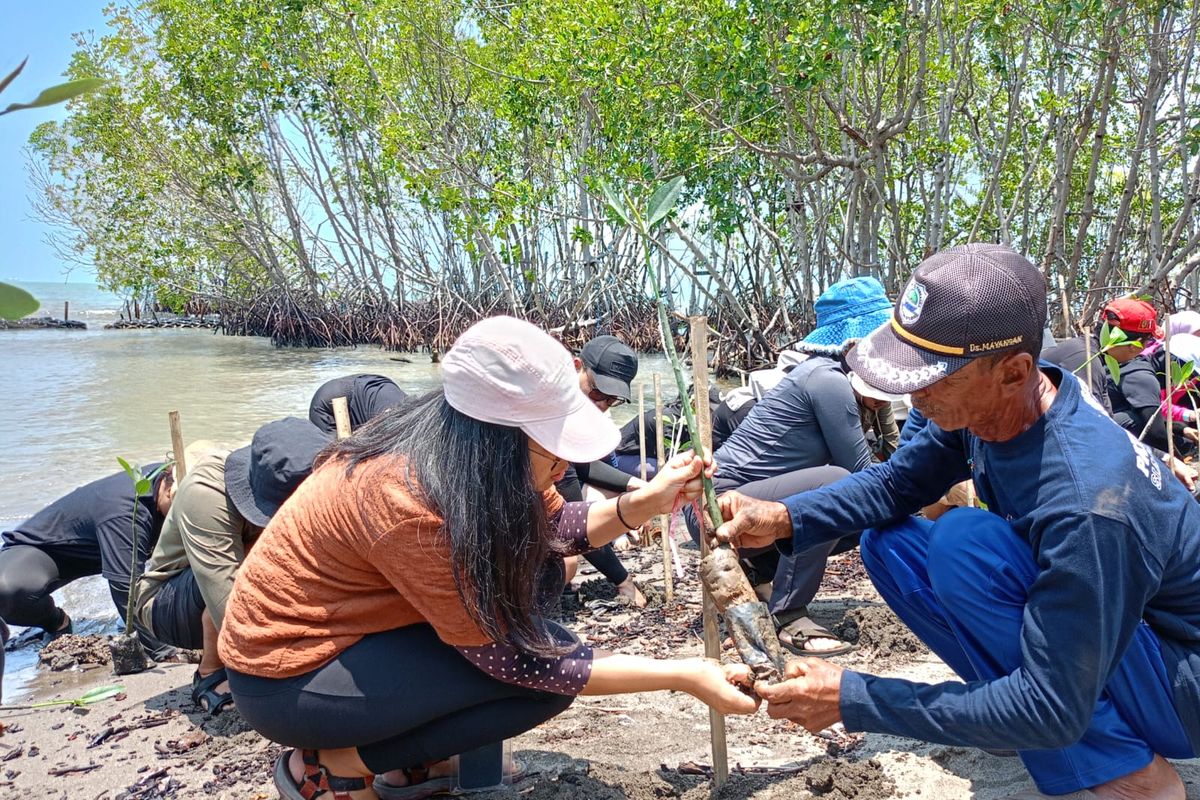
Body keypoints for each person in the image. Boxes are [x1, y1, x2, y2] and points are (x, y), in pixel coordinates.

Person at [716, 244, 1200, 800]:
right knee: (891, 543)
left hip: (1181, 676)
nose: (913, 395)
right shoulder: (993, 407)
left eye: (932, 378)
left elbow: (1054, 704)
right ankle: (1002, 709)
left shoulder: (1087, 500)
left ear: (1013, 370)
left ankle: (1129, 776)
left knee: (965, 546)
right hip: (1122, 630)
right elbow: (898, 484)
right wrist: (781, 516)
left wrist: (853, 698)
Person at [217, 316, 758, 800]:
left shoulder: (468, 457)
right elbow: (520, 663)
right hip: (289, 675)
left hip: (362, 634)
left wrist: (644, 502)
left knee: (542, 594)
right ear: (497, 439)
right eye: (555, 447)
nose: (568, 464)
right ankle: (331, 765)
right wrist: (683, 674)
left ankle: (415, 760)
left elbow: (557, 529)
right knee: (539, 679)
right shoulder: (409, 499)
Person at [693, 276, 894, 657]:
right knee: (839, 485)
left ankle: (764, 575)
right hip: (722, 505)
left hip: (748, 504)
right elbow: (864, 476)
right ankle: (790, 611)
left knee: (852, 516)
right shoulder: (827, 380)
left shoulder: (836, 380)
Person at [135, 417, 329, 714]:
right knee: (259, 561)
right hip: (168, 601)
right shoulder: (205, 493)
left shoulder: (298, 472)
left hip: (231, 582)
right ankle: (210, 671)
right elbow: (231, 607)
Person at [0, 463, 177, 658]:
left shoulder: (196, 481)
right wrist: (163, 651)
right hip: (45, 551)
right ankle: (56, 621)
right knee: (5, 591)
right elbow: (125, 587)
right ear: (167, 489)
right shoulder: (126, 509)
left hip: (104, 549)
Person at [559, 335, 649, 606]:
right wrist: (624, 581)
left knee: (603, 495)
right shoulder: (554, 414)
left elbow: (579, 465)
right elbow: (573, 520)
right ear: (577, 366)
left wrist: (632, 483)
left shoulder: (581, 412)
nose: (601, 405)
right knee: (567, 562)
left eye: (611, 400)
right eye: (597, 393)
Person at [1042, 297, 1160, 416]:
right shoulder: (1087, 362)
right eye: (1148, 341)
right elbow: (1090, 421)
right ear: (1135, 344)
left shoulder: (1090, 353)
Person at [309, 374, 408, 435]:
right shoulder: (394, 420)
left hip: (363, 384)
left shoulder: (412, 407)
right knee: (334, 458)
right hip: (329, 404)